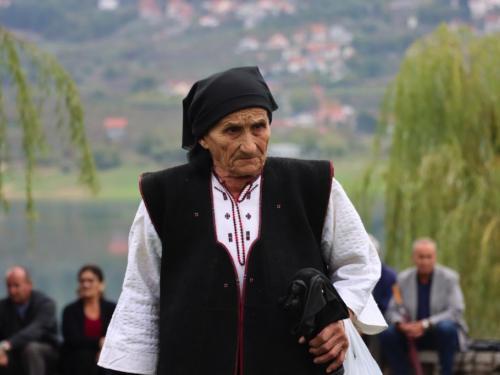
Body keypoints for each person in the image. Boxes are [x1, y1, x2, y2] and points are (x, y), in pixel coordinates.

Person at [98, 66, 387, 375]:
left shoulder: (314, 185)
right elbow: (142, 296)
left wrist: (340, 316)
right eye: (232, 130)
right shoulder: (163, 196)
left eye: (259, 127)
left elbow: (358, 263)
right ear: (204, 138)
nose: (250, 145)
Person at [378, 238, 469, 375]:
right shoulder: (403, 279)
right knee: (387, 333)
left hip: (438, 333)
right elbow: (392, 311)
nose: (425, 262)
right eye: (421, 257)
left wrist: (426, 324)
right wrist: (401, 324)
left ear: (435, 258)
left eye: (429, 257)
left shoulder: (449, 278)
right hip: (411, 334)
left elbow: (456, 311)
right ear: (414, 258)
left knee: (447, 328)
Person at [0, 266, 59, 375]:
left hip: (45, 354)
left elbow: (37, 329)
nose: (12, 291)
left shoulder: (46, 304)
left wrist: (7, 344)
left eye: (17, 285)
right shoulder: (3, 306)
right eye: (9, 286)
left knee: (32, 349)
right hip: (13, 354)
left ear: (29, 284)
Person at [61, 264, 117, 375]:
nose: (86, 285)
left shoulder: (112, 309)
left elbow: (118, 335)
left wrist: (103, 349)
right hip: (77, 360)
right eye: (82, 281)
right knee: (85, 355)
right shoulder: (70, 310)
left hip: (105, 356)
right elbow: (73, 339)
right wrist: (99, 343)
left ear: (101, 284)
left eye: (90, 281)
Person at [369, 234, 397, 316]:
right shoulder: (349, 275)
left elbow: (393, 305)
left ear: (379, 254)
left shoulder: (391, 277)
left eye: (371, 254)